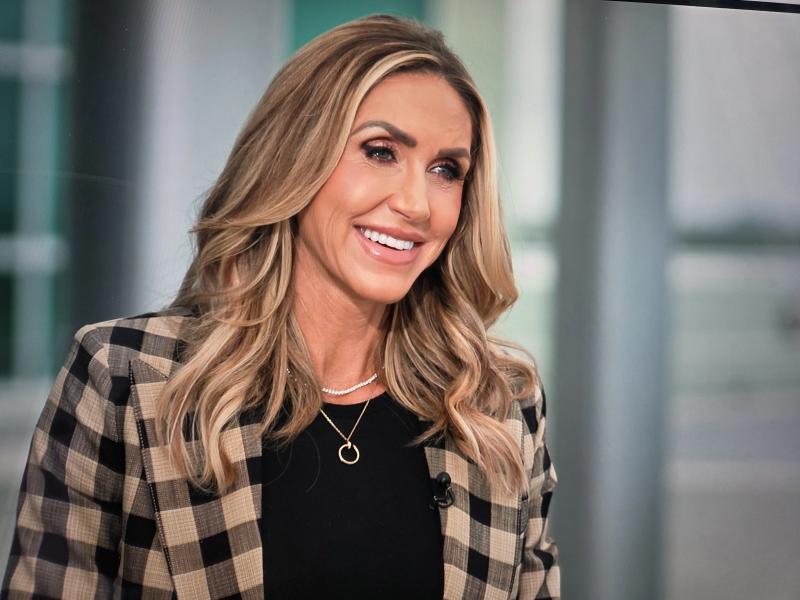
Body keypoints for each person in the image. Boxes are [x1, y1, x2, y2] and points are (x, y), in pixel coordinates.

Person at [1, 14, 559, 600]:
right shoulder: (125, 378)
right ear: (293, 158)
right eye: (380, 152)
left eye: (446, 170)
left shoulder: (500, 404)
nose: (417, 204)